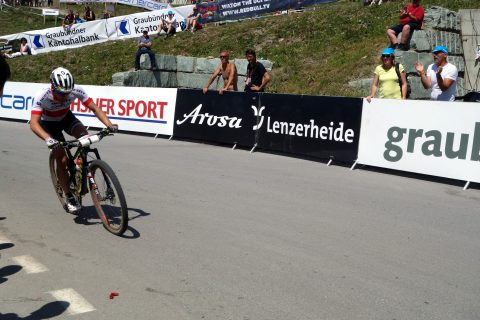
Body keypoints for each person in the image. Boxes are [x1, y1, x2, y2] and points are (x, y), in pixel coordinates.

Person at [29, 67, 117, 213]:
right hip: (49, 124)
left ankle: (79, 168)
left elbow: (94, 108)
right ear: (52, 87)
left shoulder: (76, 89)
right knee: (62, 159)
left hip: (66, 118)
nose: (64, 97)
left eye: (67, 93)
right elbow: (33, 123)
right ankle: (69, 195)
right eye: (60, 93)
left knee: (86, 138)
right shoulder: (42, 95)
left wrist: (109, 125)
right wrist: (48, 139)